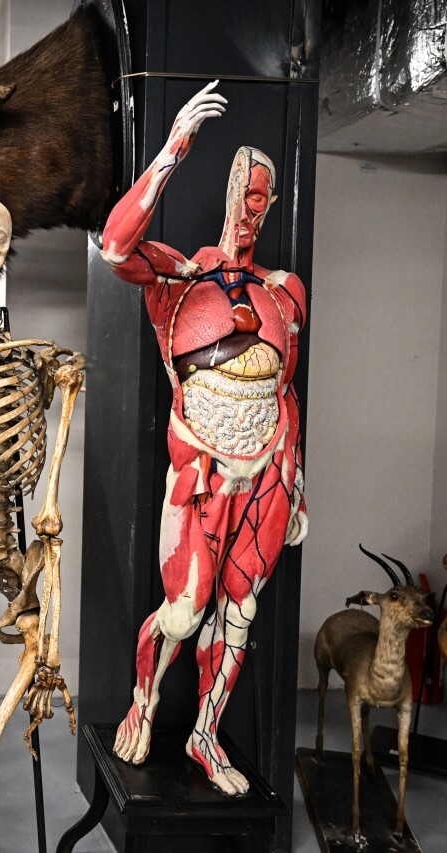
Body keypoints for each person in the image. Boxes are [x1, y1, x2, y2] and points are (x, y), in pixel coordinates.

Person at [99, 81, 307, 795]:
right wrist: (172, 149)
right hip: (202, 473)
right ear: (225, 195)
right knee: (185, 611)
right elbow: (114, 247)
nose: (251, 209)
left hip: (267, 473)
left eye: (262, 199)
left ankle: (206, 734)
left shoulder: (285, 290)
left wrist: (298, 481)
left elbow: (287, 391)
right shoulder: (179, 277)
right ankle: (146, 698)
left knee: (241, 612)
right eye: (244, 194)